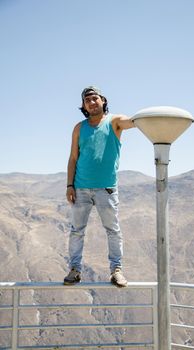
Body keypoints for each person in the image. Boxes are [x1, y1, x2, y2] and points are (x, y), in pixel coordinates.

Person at [64, 86, 134, 287]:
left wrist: (151, 117)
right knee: (77, 230)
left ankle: (116, 270)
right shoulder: (79, 128)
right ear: (84, 106)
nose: (91, 102)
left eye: (95, 98)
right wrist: (70, 185)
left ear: (103, 100)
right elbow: (73, 157)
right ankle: (75, 270)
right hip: (81, 188)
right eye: (87, 100)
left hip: (106, 188)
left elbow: (133, 122)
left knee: (113, 230)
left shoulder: (114, 122)